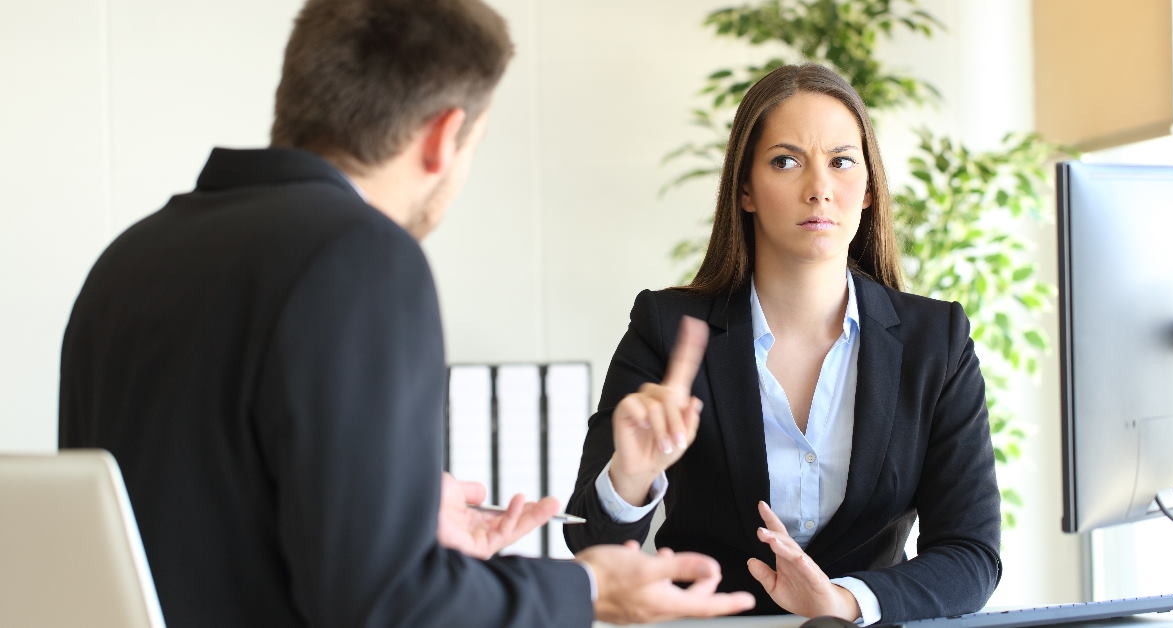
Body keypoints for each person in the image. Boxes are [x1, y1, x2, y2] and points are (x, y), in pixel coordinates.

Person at [56, 0, 757, 626]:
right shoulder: (361, 256)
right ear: (443, 136)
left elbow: (207, 531)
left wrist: (404, 528)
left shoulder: (132, 258)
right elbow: (387, 605)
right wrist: (584, 589)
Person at [564, 63, 1002, 625]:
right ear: (745, 189)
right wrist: (631, 474)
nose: (818, 188)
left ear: (868, 189)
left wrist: (844, 602)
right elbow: (589, 544)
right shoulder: (667, 328)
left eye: (842, 161)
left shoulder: (935, 341)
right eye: (785, 161)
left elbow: (971, 555)